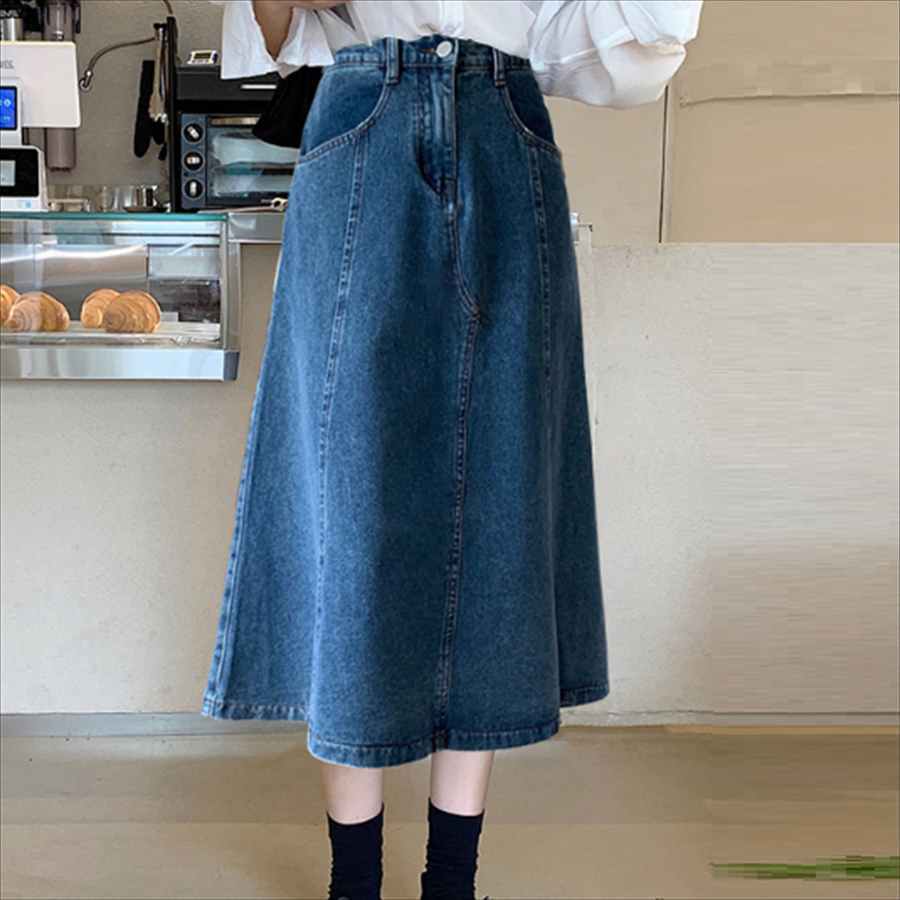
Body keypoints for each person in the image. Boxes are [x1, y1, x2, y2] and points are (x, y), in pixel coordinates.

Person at [202, 2, 704, 899]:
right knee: (346, 506)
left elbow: (638, 40)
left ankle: (452, 880)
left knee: (497, 500)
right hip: (360, 111)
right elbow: (272, 32)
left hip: (504, 114)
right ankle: (353, 880)